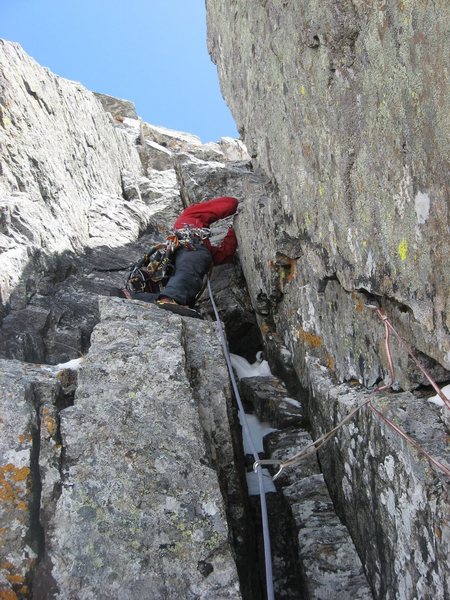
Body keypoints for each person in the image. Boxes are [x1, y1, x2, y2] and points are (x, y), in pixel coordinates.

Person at [122, 196, 239, 309]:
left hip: (175, 257)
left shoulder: (201, 249)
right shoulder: (191, 214)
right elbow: (230, 203)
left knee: (197, 261)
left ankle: (141, 297)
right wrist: (234, 225)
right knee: (193, 263)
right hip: (189, 247)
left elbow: (224, 255)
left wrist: (233, 231)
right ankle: (169, 299)